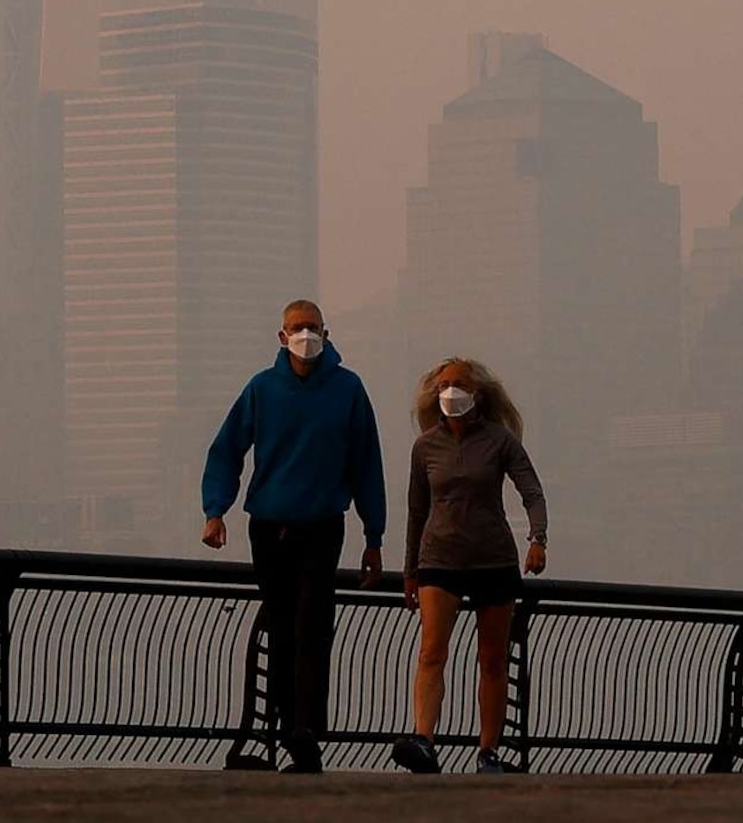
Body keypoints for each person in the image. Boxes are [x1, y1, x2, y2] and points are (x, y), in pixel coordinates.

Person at [202, 298, 389, 774]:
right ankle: (287, 727)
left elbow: (367, 463)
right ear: (282, 337)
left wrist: (374, 534)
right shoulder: (262, 389)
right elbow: (227, 450)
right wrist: (215, 510)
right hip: (269, 525)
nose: (306, 335)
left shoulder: (348, 389)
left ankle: (305, 731)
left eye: (313, 327)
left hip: (322, 525)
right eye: (297, 328)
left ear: (326, 332)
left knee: (313, 625)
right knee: (283, 628)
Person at [391, 357, 547, 776]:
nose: (451, 391)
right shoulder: (426, 446)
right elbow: (416, 511)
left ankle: (488, 751)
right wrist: (409, 570)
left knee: (492, 659)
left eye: (459, 384)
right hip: (439, 559)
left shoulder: (500, 440)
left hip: (492, 559)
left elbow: (531, 491)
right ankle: (424, 739)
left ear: (477, 393)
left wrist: (538, 539)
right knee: (431, 652)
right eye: (444, 384)